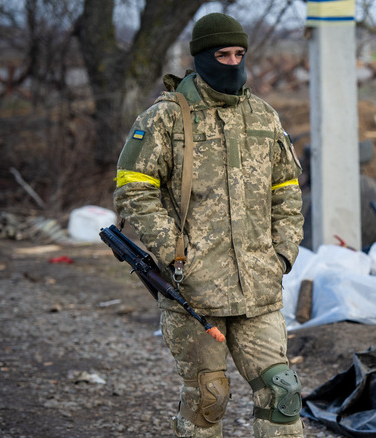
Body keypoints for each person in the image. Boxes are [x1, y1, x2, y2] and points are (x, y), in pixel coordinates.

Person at [113, 12, 304, 438]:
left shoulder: (264, 116)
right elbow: (133, 192)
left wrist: (283, 254)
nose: (233, 62)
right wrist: (176, 256)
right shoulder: (164, 118)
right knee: (209, 398)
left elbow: (287, 189)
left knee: (283, 394)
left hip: (260, 288)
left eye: (240, 53)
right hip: (194, 292)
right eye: (222, 54)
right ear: (200, 57)